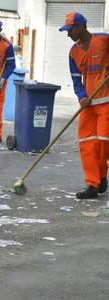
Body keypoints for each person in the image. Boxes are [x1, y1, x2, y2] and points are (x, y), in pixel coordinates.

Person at [59, 12, 109, 199]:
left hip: (107, 102)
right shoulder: (73, 52)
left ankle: (102, 174)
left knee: (103, 142)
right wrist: (81, 97)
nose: (68, 33)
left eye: (70, 29)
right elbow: (76, 81)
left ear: (82, 27)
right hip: (88, 105)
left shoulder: (104, 40)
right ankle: (92, 184)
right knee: (86, 144)